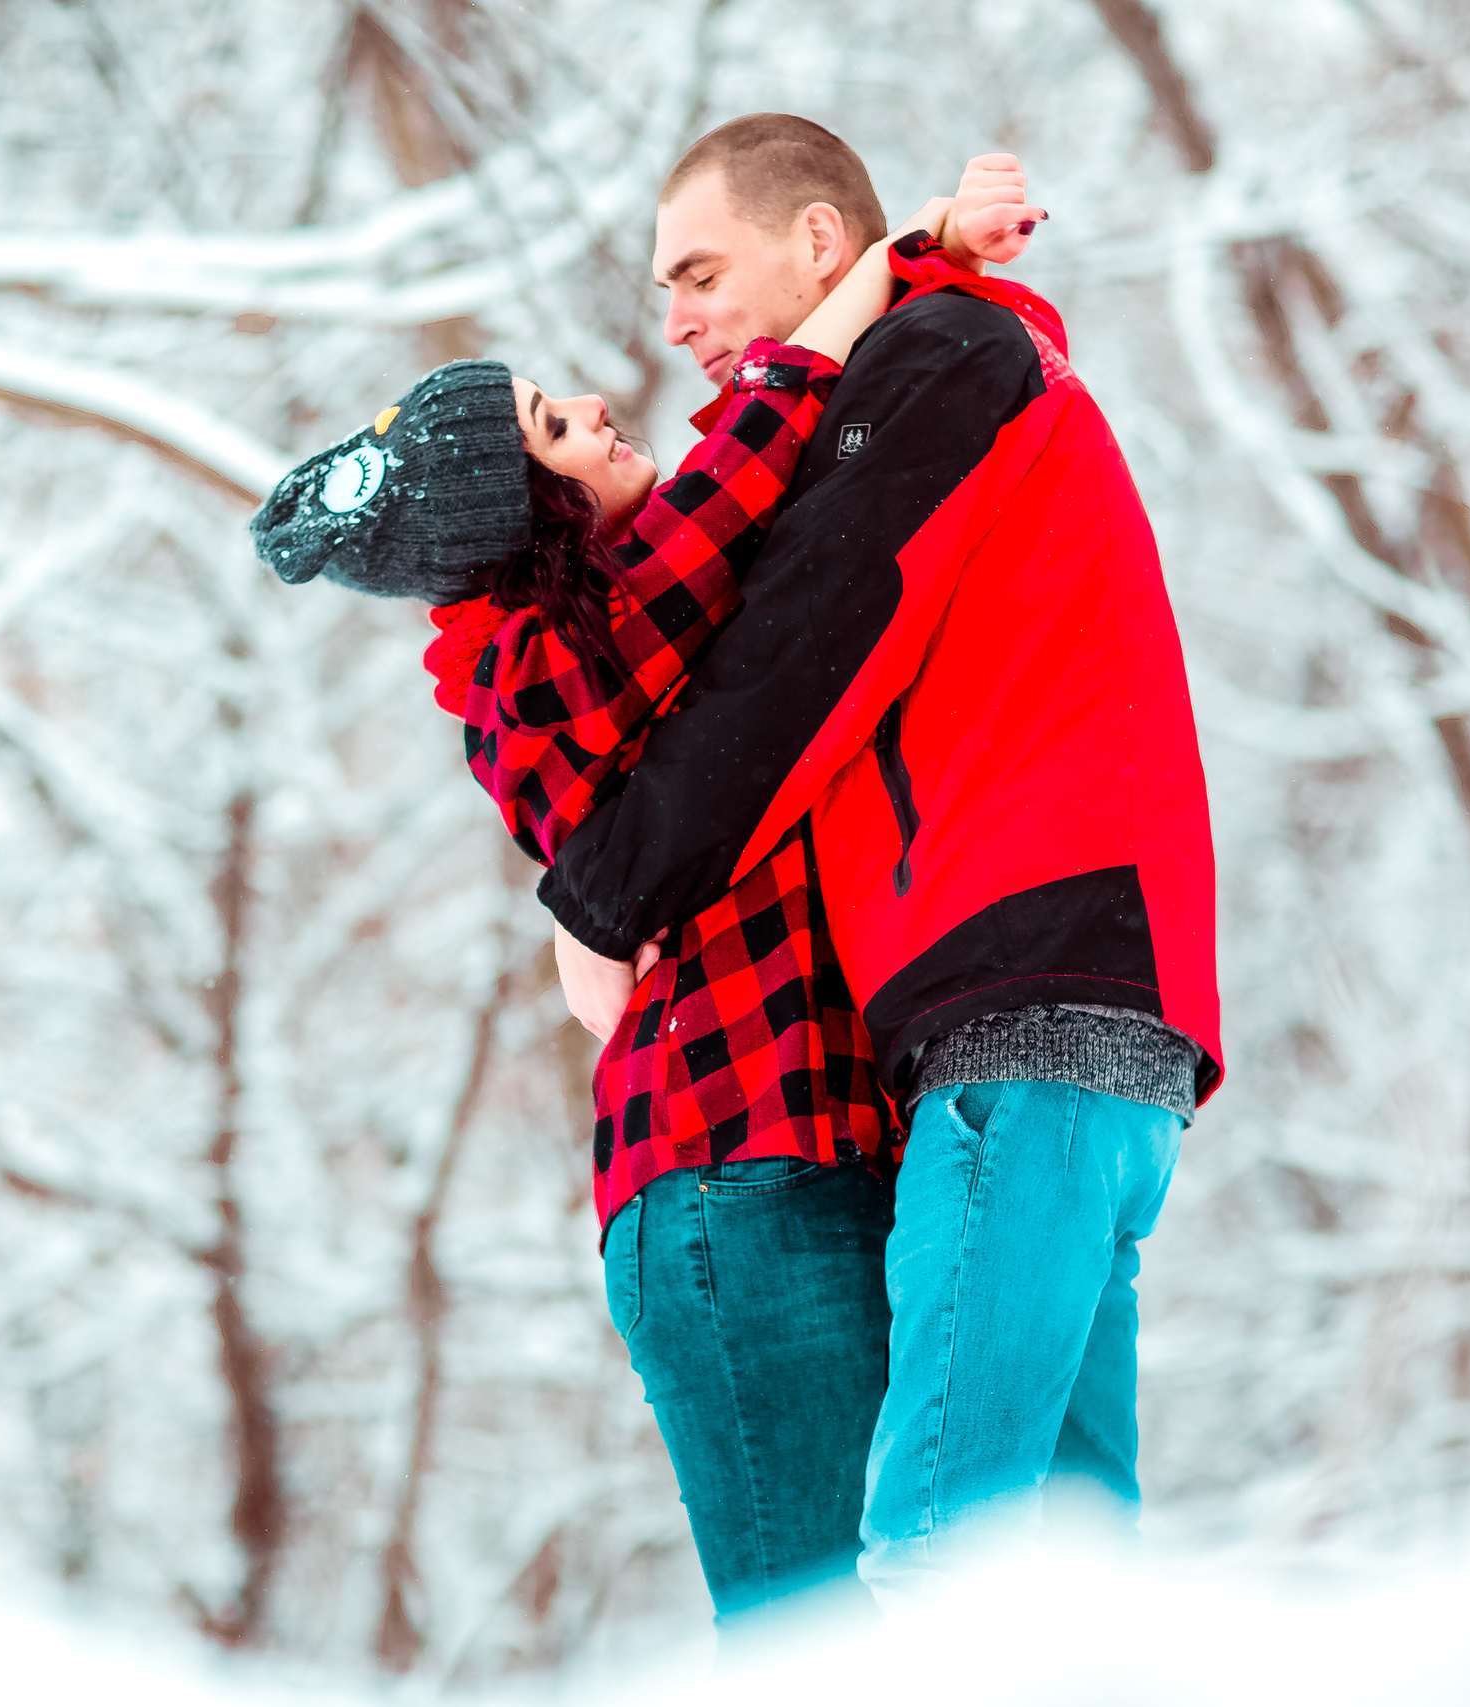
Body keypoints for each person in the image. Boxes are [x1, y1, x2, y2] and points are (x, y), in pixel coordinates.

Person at [245, 162, 1035, 1632]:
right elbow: (750, 467)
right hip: (730, 1187)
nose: (602, 408)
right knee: (827, 1640)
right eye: (556, 425)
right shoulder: (549, 666)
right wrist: (897, 255)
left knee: (920, 1627)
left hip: (810, 1157)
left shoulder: (625, 632)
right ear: (523, 510)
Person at [535, 114, 1227, 1602]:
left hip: (1019, 1006)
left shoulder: (940, 366)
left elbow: (799, 652)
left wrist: (599, 901)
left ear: (817, 246)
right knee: (1068, 1586)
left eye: (701, 269)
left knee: (932, 1571)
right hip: (1096, 1026)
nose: (676, 321)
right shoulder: (944, 361)